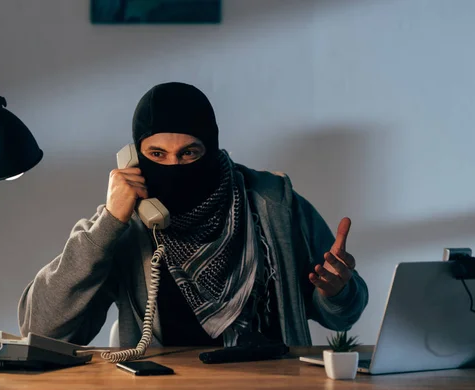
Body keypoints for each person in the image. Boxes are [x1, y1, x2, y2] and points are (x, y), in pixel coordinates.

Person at [18, 82, 369, 348]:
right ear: (133, 159)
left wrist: (337, 291)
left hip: (273, 388)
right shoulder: (124, 224)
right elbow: (42, 329)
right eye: (157, 154)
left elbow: (344, 313)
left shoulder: (272, 204)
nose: (174, 166)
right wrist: (109, 223)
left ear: (211, 150)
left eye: (189, 153)